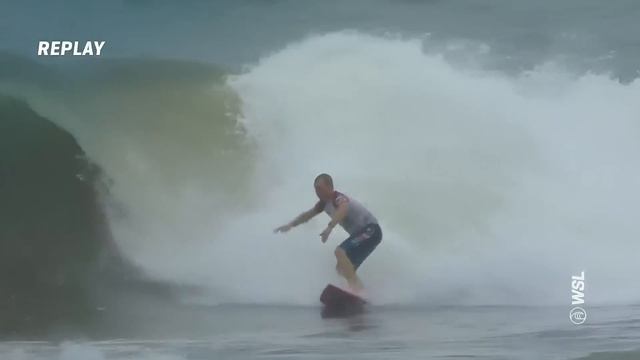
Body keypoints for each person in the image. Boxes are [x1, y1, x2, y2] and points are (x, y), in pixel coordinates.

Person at [274, 173, 382, 295]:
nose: (317, 192)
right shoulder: (323, 204)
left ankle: (357, 290)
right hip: (364, 235)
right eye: (315, 189)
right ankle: (361, 294)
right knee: (341, 269)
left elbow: (343, 208)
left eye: (320, 188)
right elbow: (307, 215)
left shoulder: (338, 198)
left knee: (340, 252)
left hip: (371, 230)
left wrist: (330, 227)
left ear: (330, 187)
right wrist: (290, 225)